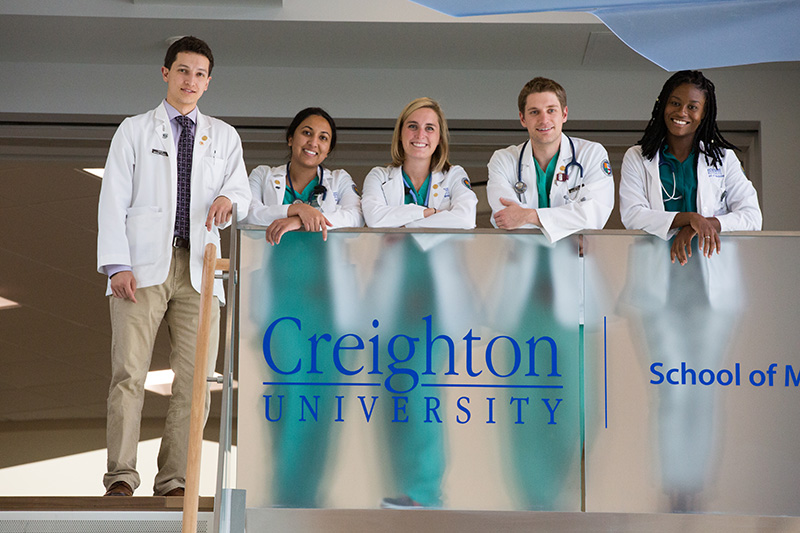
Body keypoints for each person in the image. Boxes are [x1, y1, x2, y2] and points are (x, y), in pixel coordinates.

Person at [97, 36, 251, 497]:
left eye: (200, 74)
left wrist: (229, 198)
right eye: (183, 70)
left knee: (196, 379)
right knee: (130, 373)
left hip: (201, 270)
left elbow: (241, 192)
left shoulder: (224, 136)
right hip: (141, 268)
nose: (191, 80)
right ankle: (121, 475)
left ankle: (175, 479)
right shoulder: (134, 130)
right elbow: (113, 198)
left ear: (209, 81)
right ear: (166, 73)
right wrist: (117, 264)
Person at [619, 70, 762, 263]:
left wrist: (698, 225)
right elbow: (633, 215)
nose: (681, 112)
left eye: (692, 107)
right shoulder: (637, 157)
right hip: (656, 264)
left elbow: (752, 217)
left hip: (712, 266)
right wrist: (690, 218)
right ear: (663, 105)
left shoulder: (724, 159)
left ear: (704, 114)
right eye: (675, 103)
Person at [486, 77, 615, 242]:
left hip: (574, 262)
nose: (544, 120)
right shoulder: (503, 160)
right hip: (523, 259)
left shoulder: (592, 154)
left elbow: (593, 215)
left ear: (565, 114)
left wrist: (529, 215)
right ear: (522, 119)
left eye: (551, 110)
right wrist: (567, 227)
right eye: (534, 112)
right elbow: (506, 219)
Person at [243, 107, 363, 239]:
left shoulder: (339, 180)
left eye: (323, 138)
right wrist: (297, 209)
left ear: (328, 150)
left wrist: (300, 220)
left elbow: (356, 217)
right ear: (290, 139)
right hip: (274, 258)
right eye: (307, 133)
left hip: (323, 259)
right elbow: (247, 215)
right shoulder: (262, 175)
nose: (313, 143)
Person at [361, 97, 477, 229]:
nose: (420, 134)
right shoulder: (378, 177)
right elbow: (374, 219)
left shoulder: (454, 175)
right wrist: (427, 212)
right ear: (400, 133)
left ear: (439, 138)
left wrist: (406, 226)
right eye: (412, 126)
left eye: (429, 128)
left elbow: (466, 219)